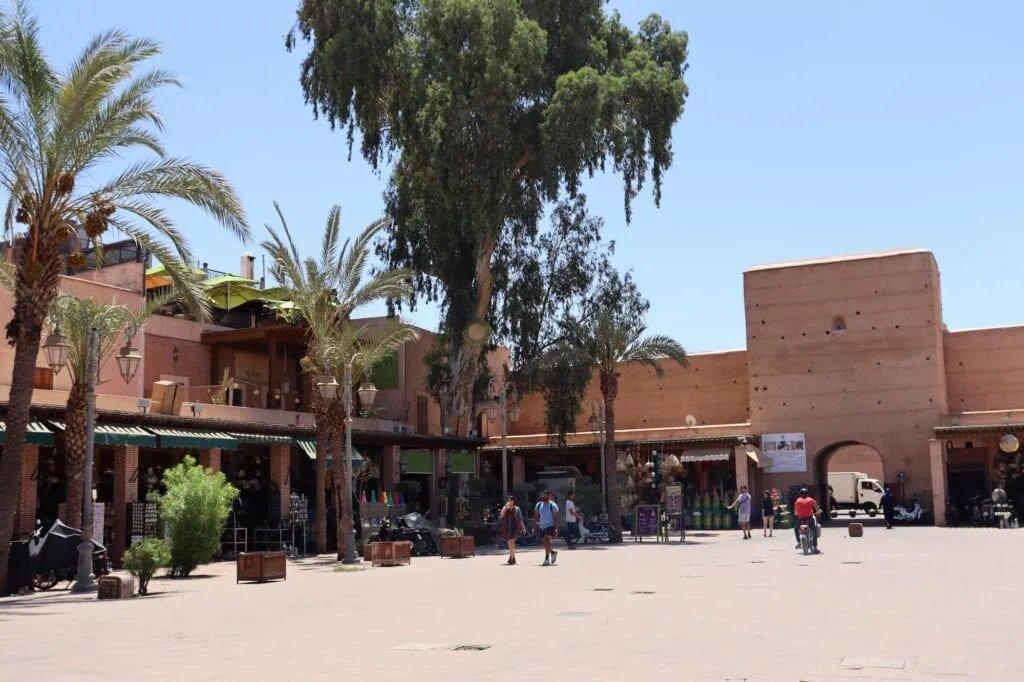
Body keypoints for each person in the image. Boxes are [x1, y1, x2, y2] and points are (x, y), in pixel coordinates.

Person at [534, 490, 560, 566]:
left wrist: (556, 529)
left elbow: (556, 518)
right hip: (542, 526)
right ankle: (552, 552)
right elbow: (536, 516)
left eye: (545, 495)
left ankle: (546, 558)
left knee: (547, 540)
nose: (543, 496)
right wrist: (533, 527)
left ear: (549, 496)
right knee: (544, 543)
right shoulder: (538, 505)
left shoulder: (553, 505)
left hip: (550, 525)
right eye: (543, 494)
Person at [793, 487, 821, 553]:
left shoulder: (797, 501)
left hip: (800, 519)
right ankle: (815, 547)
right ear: (807, 494)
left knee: (796, 528)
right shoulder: (810, 500)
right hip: (809, 519)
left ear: (800, 494)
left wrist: (797, 514)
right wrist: (818, 512)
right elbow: (817, 508)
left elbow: (795, 512)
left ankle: (799, 542)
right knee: (814, 531)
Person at [499, 495, 525, 565]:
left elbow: (520, 519)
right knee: (510, 543)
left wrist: (523, 528)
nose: (509, 501)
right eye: (509, 500)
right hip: (507, 526)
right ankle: (513, 557)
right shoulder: (505, 508)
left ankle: (511, 557)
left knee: (511, 542)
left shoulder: (517, 509)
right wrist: (505, 507)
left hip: (515, 526)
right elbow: (501, 516)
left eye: (511, 500)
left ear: (513, 501)